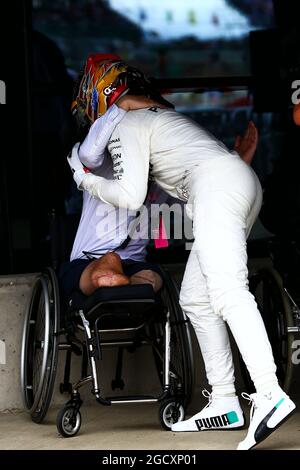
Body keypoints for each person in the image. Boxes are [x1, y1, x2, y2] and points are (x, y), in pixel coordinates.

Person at [68, 56, 296, 450]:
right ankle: (225, 400)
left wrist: (85, 181)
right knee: (195, 296)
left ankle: (269, 392)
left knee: (227, 292)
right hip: (232, 183)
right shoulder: (153, 115)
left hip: (218, 190)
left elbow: (130, 195)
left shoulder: (126, 123)